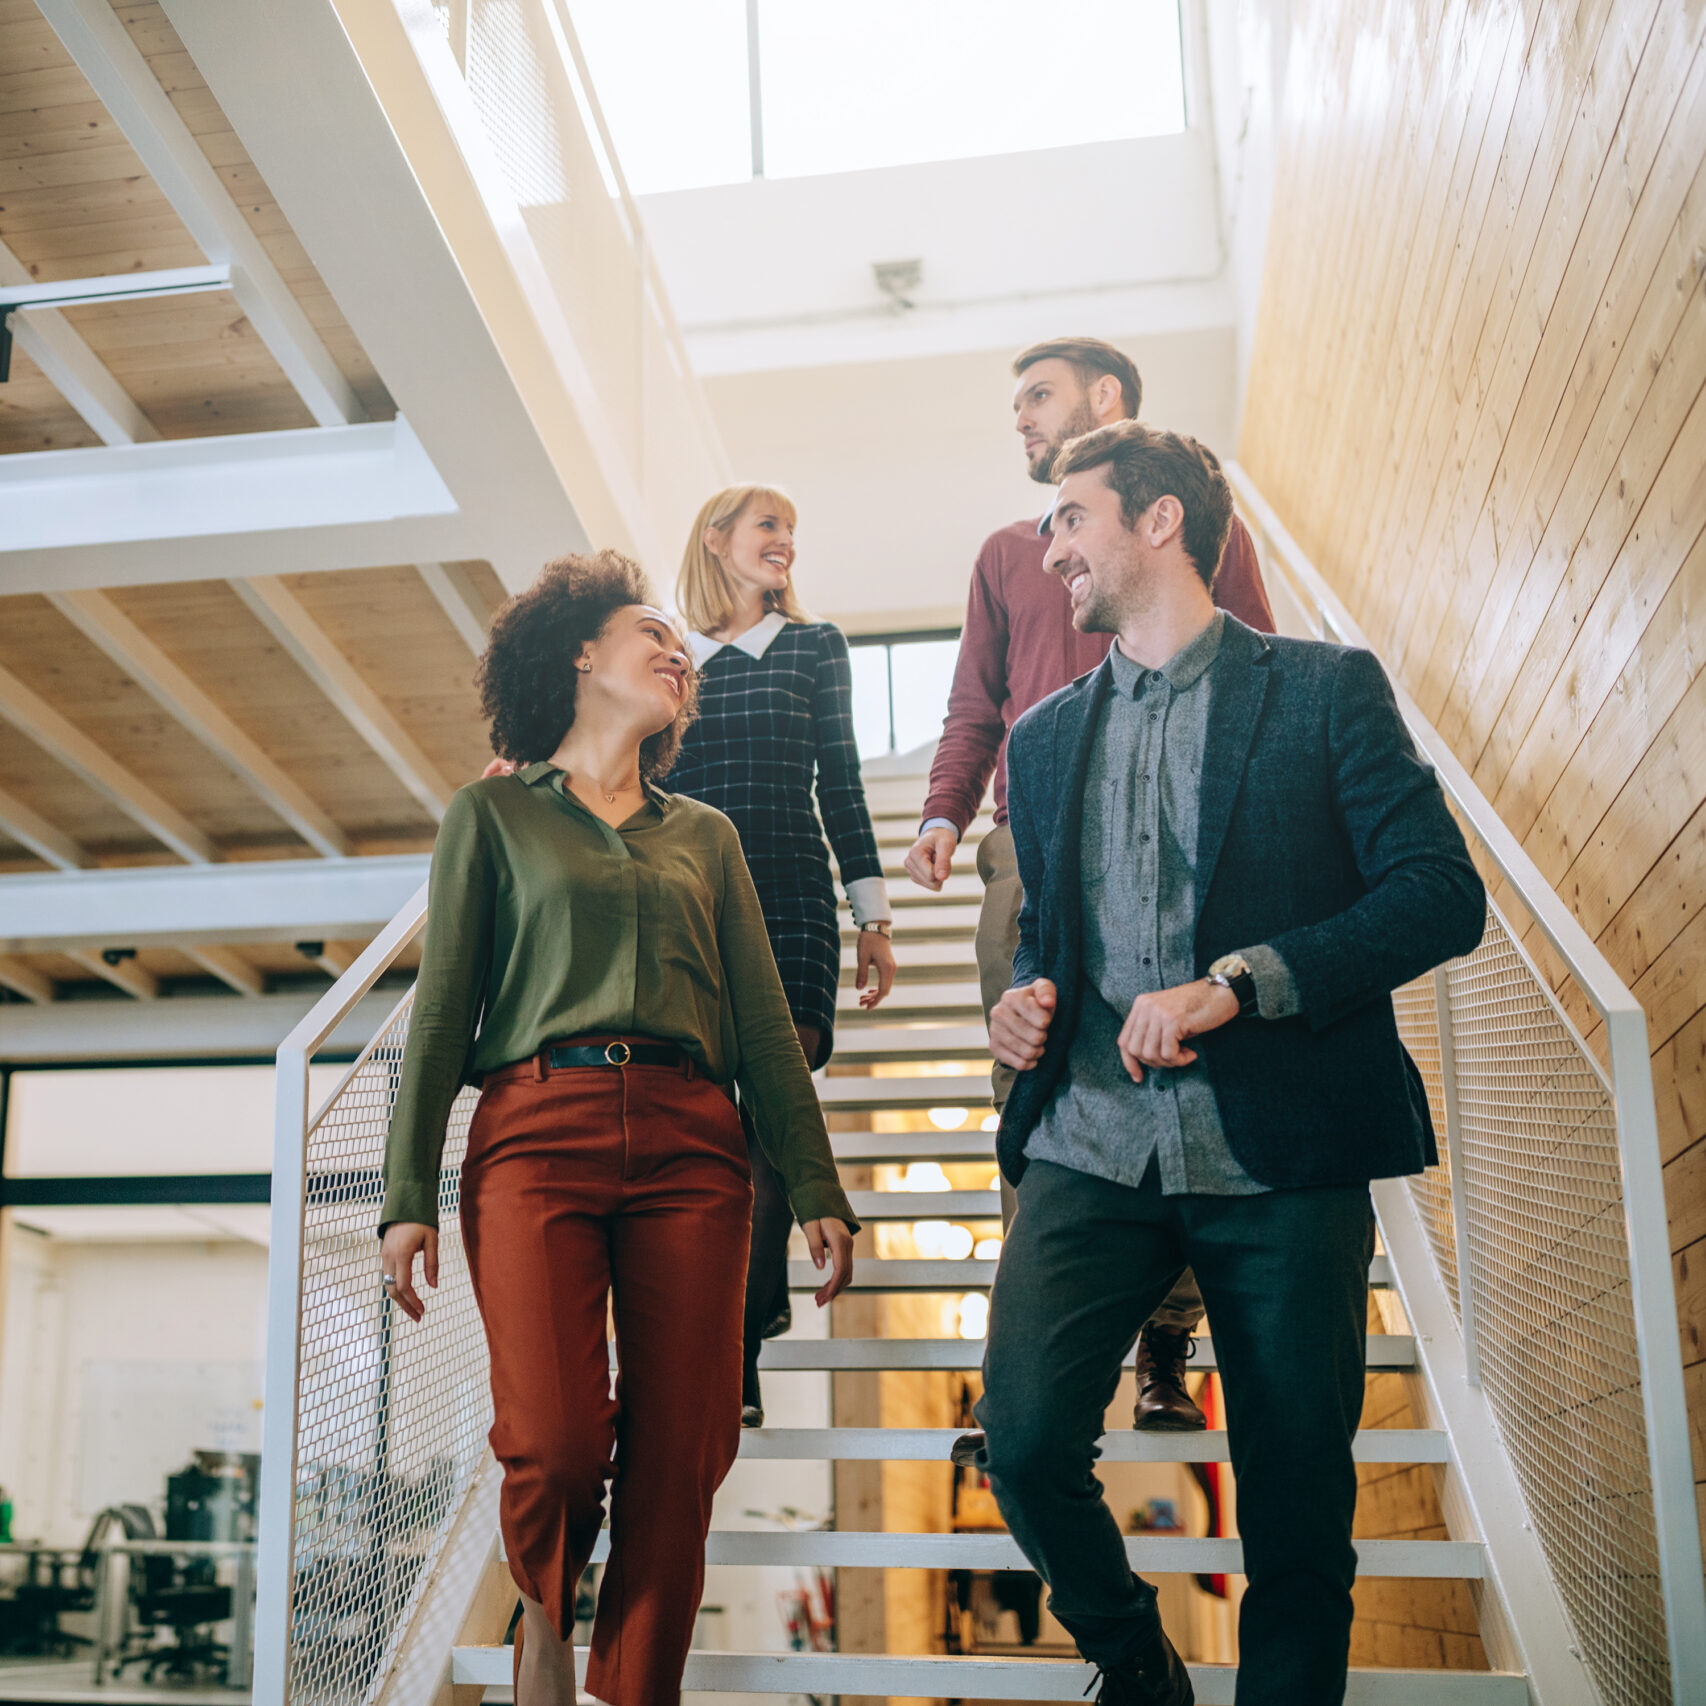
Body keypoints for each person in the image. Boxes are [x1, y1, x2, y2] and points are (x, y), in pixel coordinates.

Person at [974, 422, 1485, 1704]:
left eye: (1069, 520)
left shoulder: (1323, 689)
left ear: (1157, 523)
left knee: (1298, 1498)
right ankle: (1138, 1669)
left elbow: (1437, 894)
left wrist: (1238, 983)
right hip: (1088, 1138)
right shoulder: (1035, 743)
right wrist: (1023, 1005)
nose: (1049, 551)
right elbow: (1048, 940)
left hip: (1285, 1143)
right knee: (1027, 1439)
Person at [377, 551, 859, 1706]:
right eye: (652, 631)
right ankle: (545, 1613)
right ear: (580, 653)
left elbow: (759, 1022)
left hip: (696, 1147)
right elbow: (441, 1013)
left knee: (684, 1449)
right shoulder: (491, 812)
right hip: (535, 1135)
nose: (675, 653)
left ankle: (633, 1688)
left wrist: (819, 1179)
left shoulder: (706, 835)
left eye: (680, 648)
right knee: (552, 1440)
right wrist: (403, 1195)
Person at [908, 337, 1276, 1439]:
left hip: (1185, 842)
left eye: (1037, 396)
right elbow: (975, 699)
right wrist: (942, 806)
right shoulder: (1003, 554)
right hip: (1032, 852)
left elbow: (1257, 662)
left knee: (1177, 1080)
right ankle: (1018, 1362)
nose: (1018, 417)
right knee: (1030, 1092)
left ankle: (1165, 1348)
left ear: (1104, 399)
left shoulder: (1204, 532)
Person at [668, 484, 896, 1428]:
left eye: (792, 532)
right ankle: (742, 1321)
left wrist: (872, 915)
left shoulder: (814, 647)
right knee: (710, 1133)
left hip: (795, 901)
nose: (786, 544)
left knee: (767, 1123)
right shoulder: (671, 660)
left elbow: (840, 779)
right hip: (691, 906)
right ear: (716, 539)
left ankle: (737, 1352)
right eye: (769, 527)